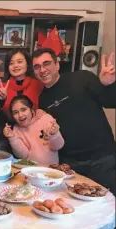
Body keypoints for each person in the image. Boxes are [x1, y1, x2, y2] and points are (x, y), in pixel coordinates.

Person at [32, 48, 116, 193]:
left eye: (46, 64)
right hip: (70, 164)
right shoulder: (42, 99)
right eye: (37, 67)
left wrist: (109, 85)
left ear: (57, 64)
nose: (42, 70)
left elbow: (111, 101)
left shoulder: (82, 78)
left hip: (102, 159)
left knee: (108, 204)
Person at [3, 95, 64, 165]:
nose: (20, 115)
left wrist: (54, 134)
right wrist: (12, 138)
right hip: (30, 170)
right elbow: (23, 156)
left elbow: (58, 146)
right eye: (15, 112)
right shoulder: (16, 129)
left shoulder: (46, 119)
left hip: (51, 170)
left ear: (31, 109)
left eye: (23, 110)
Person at [0, 49, 43, 119]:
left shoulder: (38, 84)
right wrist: (1, 100)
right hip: (8, 128)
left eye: (19, 62)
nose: (15, 66)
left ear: (27, 63)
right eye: (11, 63)